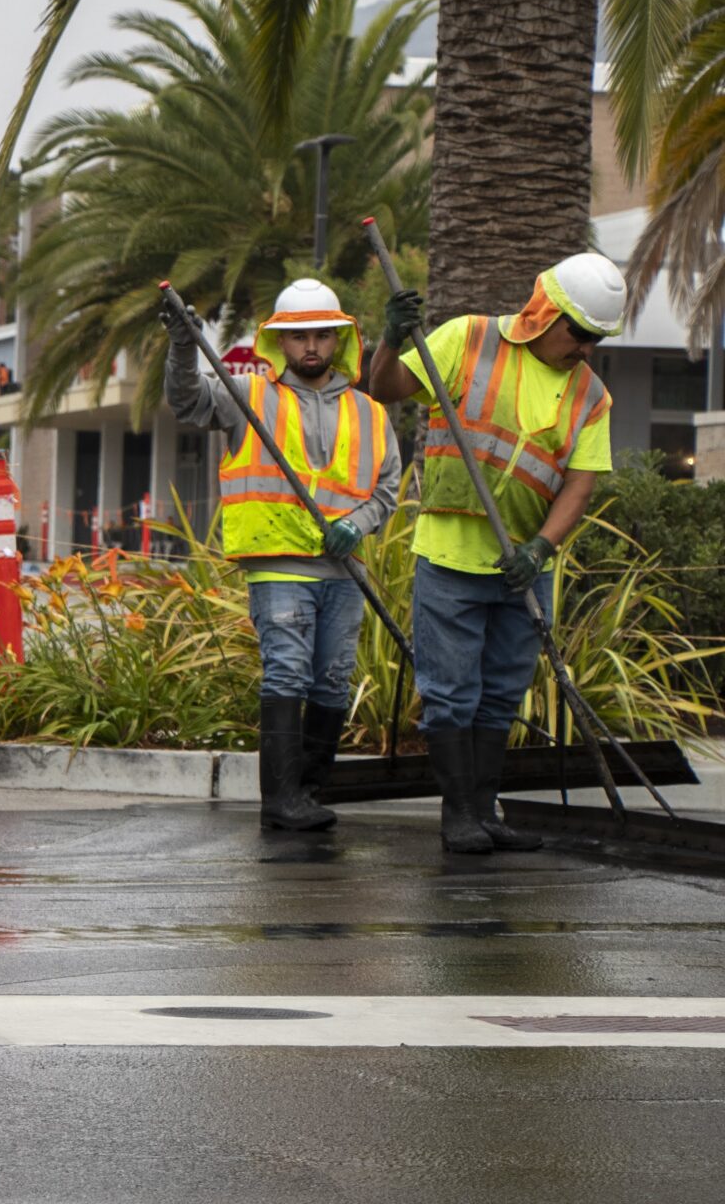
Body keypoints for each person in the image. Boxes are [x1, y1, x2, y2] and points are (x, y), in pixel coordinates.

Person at [365, 253, 623, 854]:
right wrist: (389, 340)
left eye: (598, 338)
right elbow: (384, 389)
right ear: (544, 313)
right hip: (452, 557)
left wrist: (541, 547)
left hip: (523, 572)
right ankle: (458, 816)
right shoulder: (468, 339)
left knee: (503, 692)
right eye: (581, 333)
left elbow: (579, 482)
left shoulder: (592, 395)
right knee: (451, 690)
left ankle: (485, 812)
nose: (586, 348)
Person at [165, 279, 399, 830]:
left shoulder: (370, 412)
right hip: (278, 563)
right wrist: (181, 345)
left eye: (321, 335)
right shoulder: (248, 395)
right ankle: (281, 798)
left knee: (333, 678)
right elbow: (188, 400)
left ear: (339, 340)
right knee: (288, 672)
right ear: (279, 343)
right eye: (298, 337)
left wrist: (356, 524)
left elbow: (386, 490)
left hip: (345, 569)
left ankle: (308, 791)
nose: (310, 346)